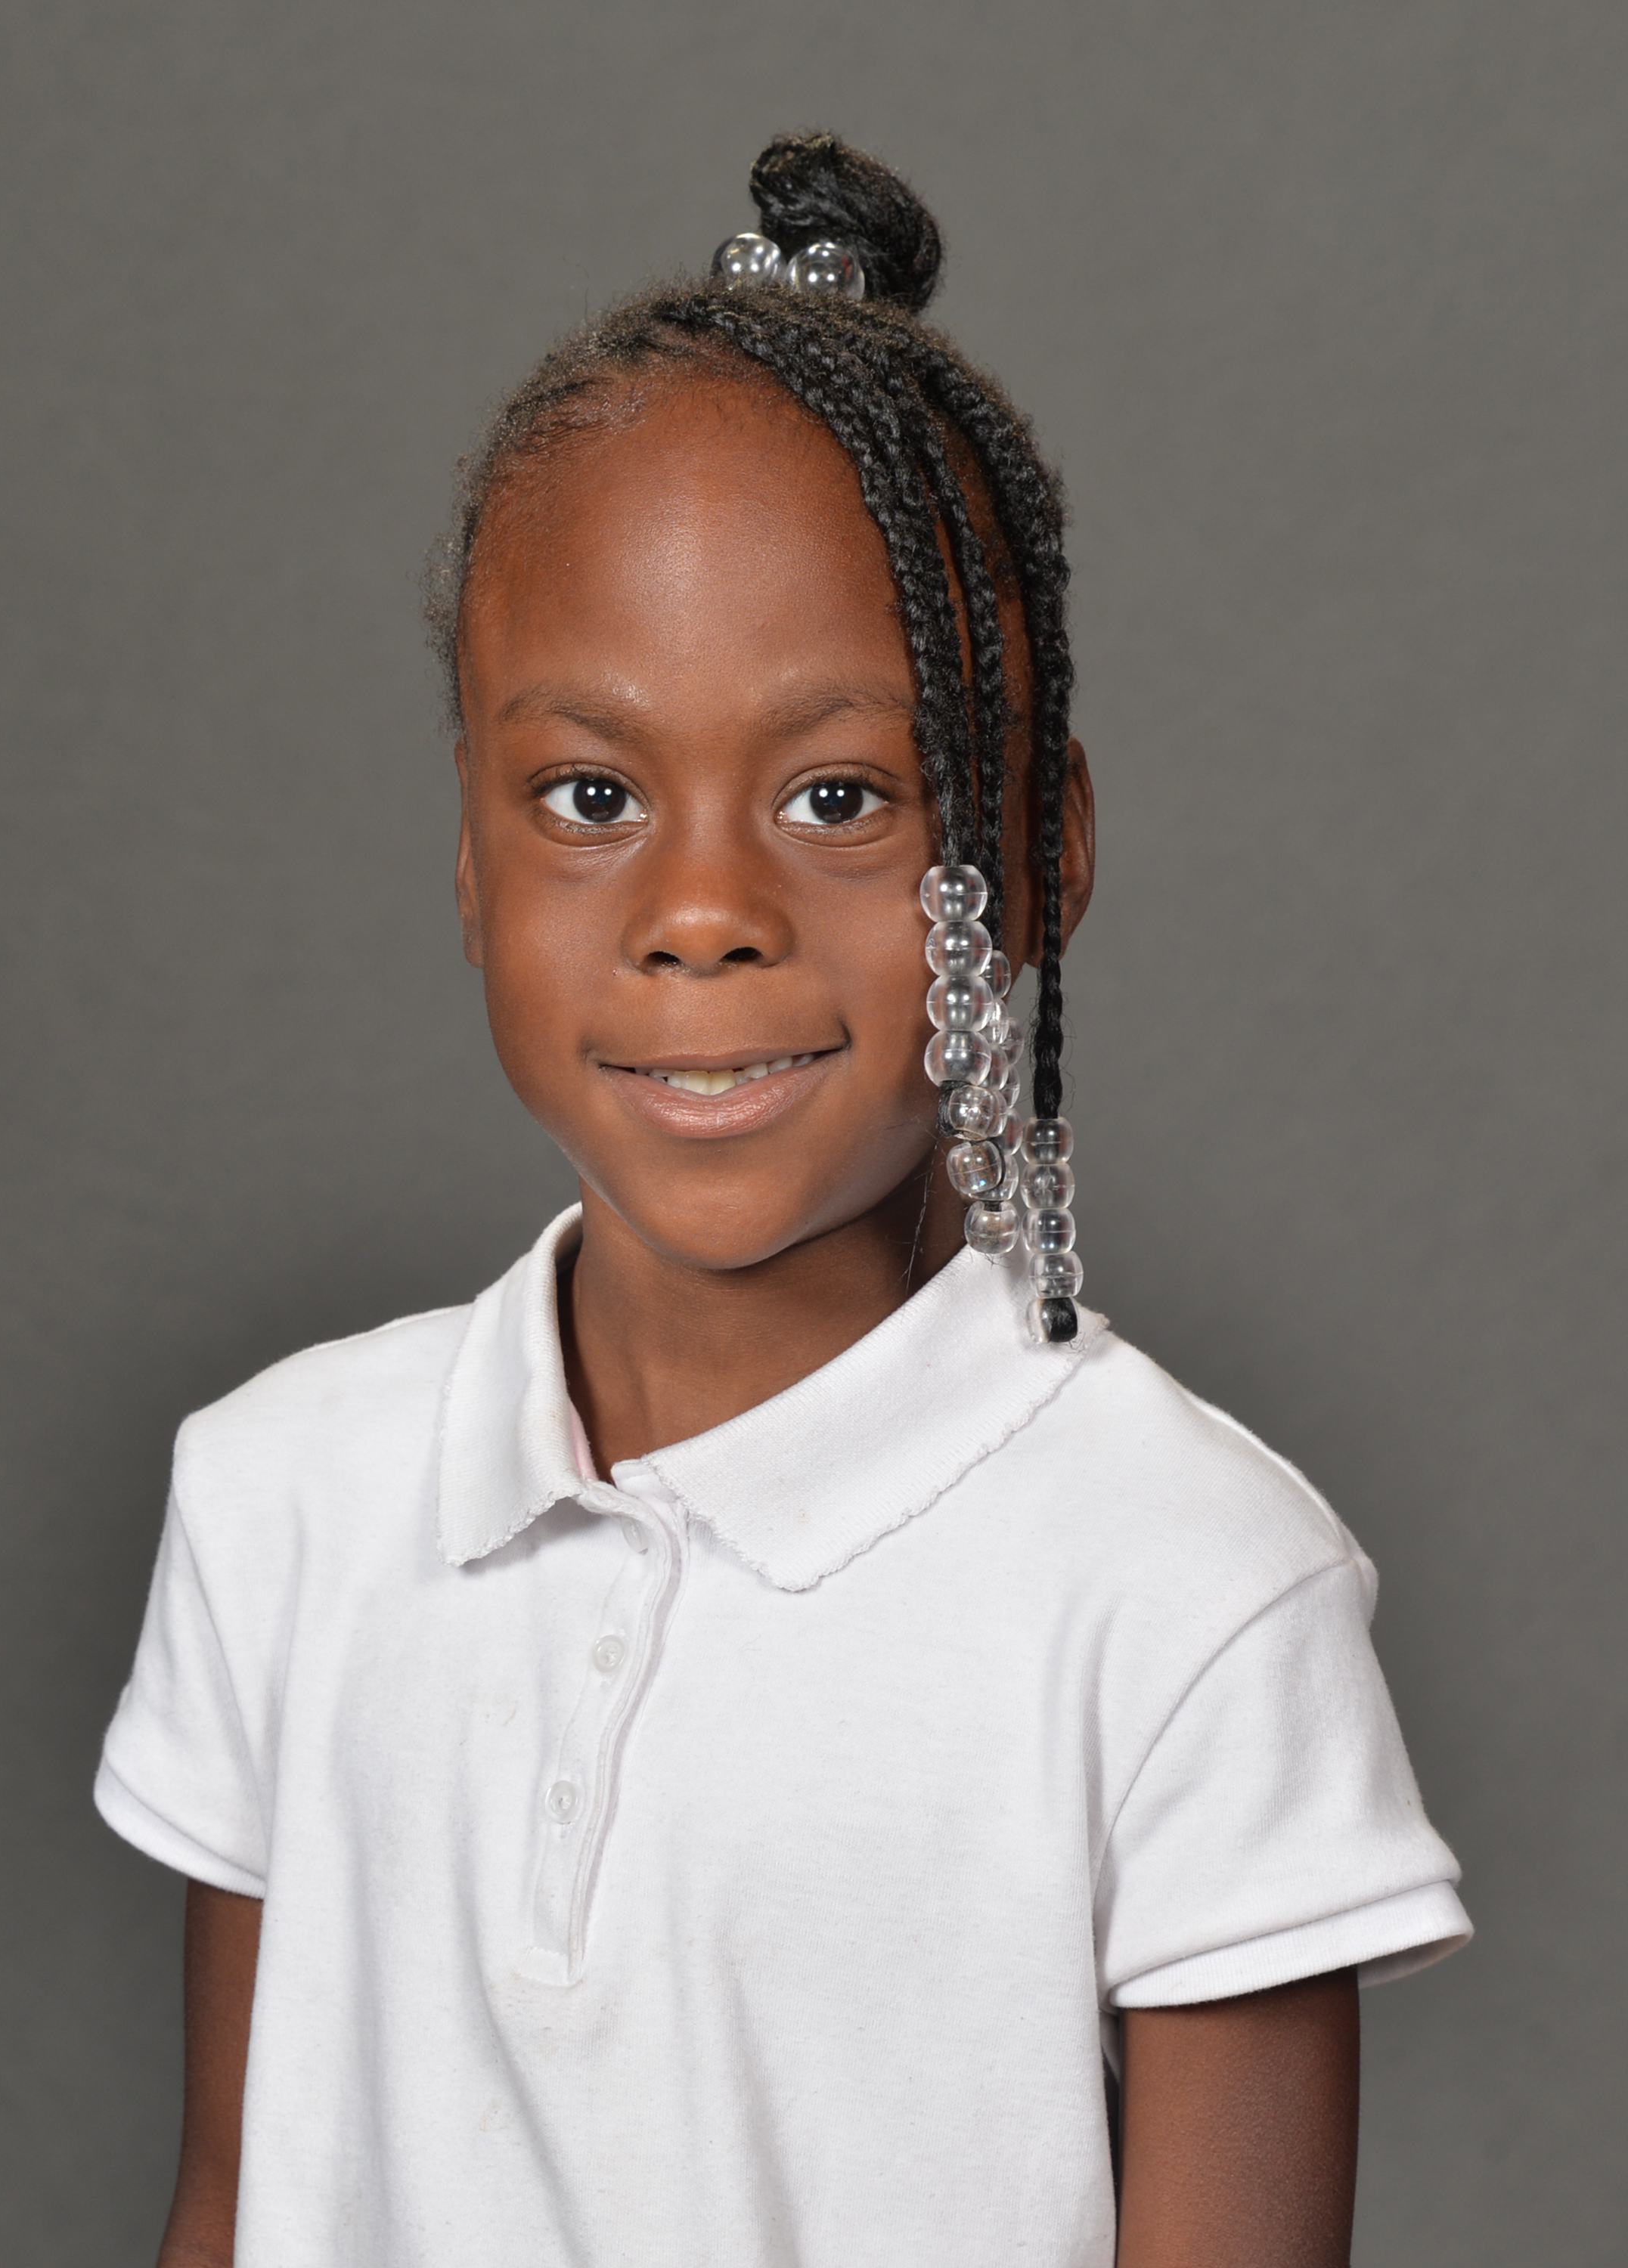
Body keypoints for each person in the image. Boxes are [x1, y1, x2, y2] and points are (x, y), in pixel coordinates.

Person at [96, 132, 1469, 2268]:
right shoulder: (282, 1499)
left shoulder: (1193, 1594)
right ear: (464, 853)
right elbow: (232, 2200)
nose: (702, 910)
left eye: (840, 797)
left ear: (1039, 849)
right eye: (590, 796)